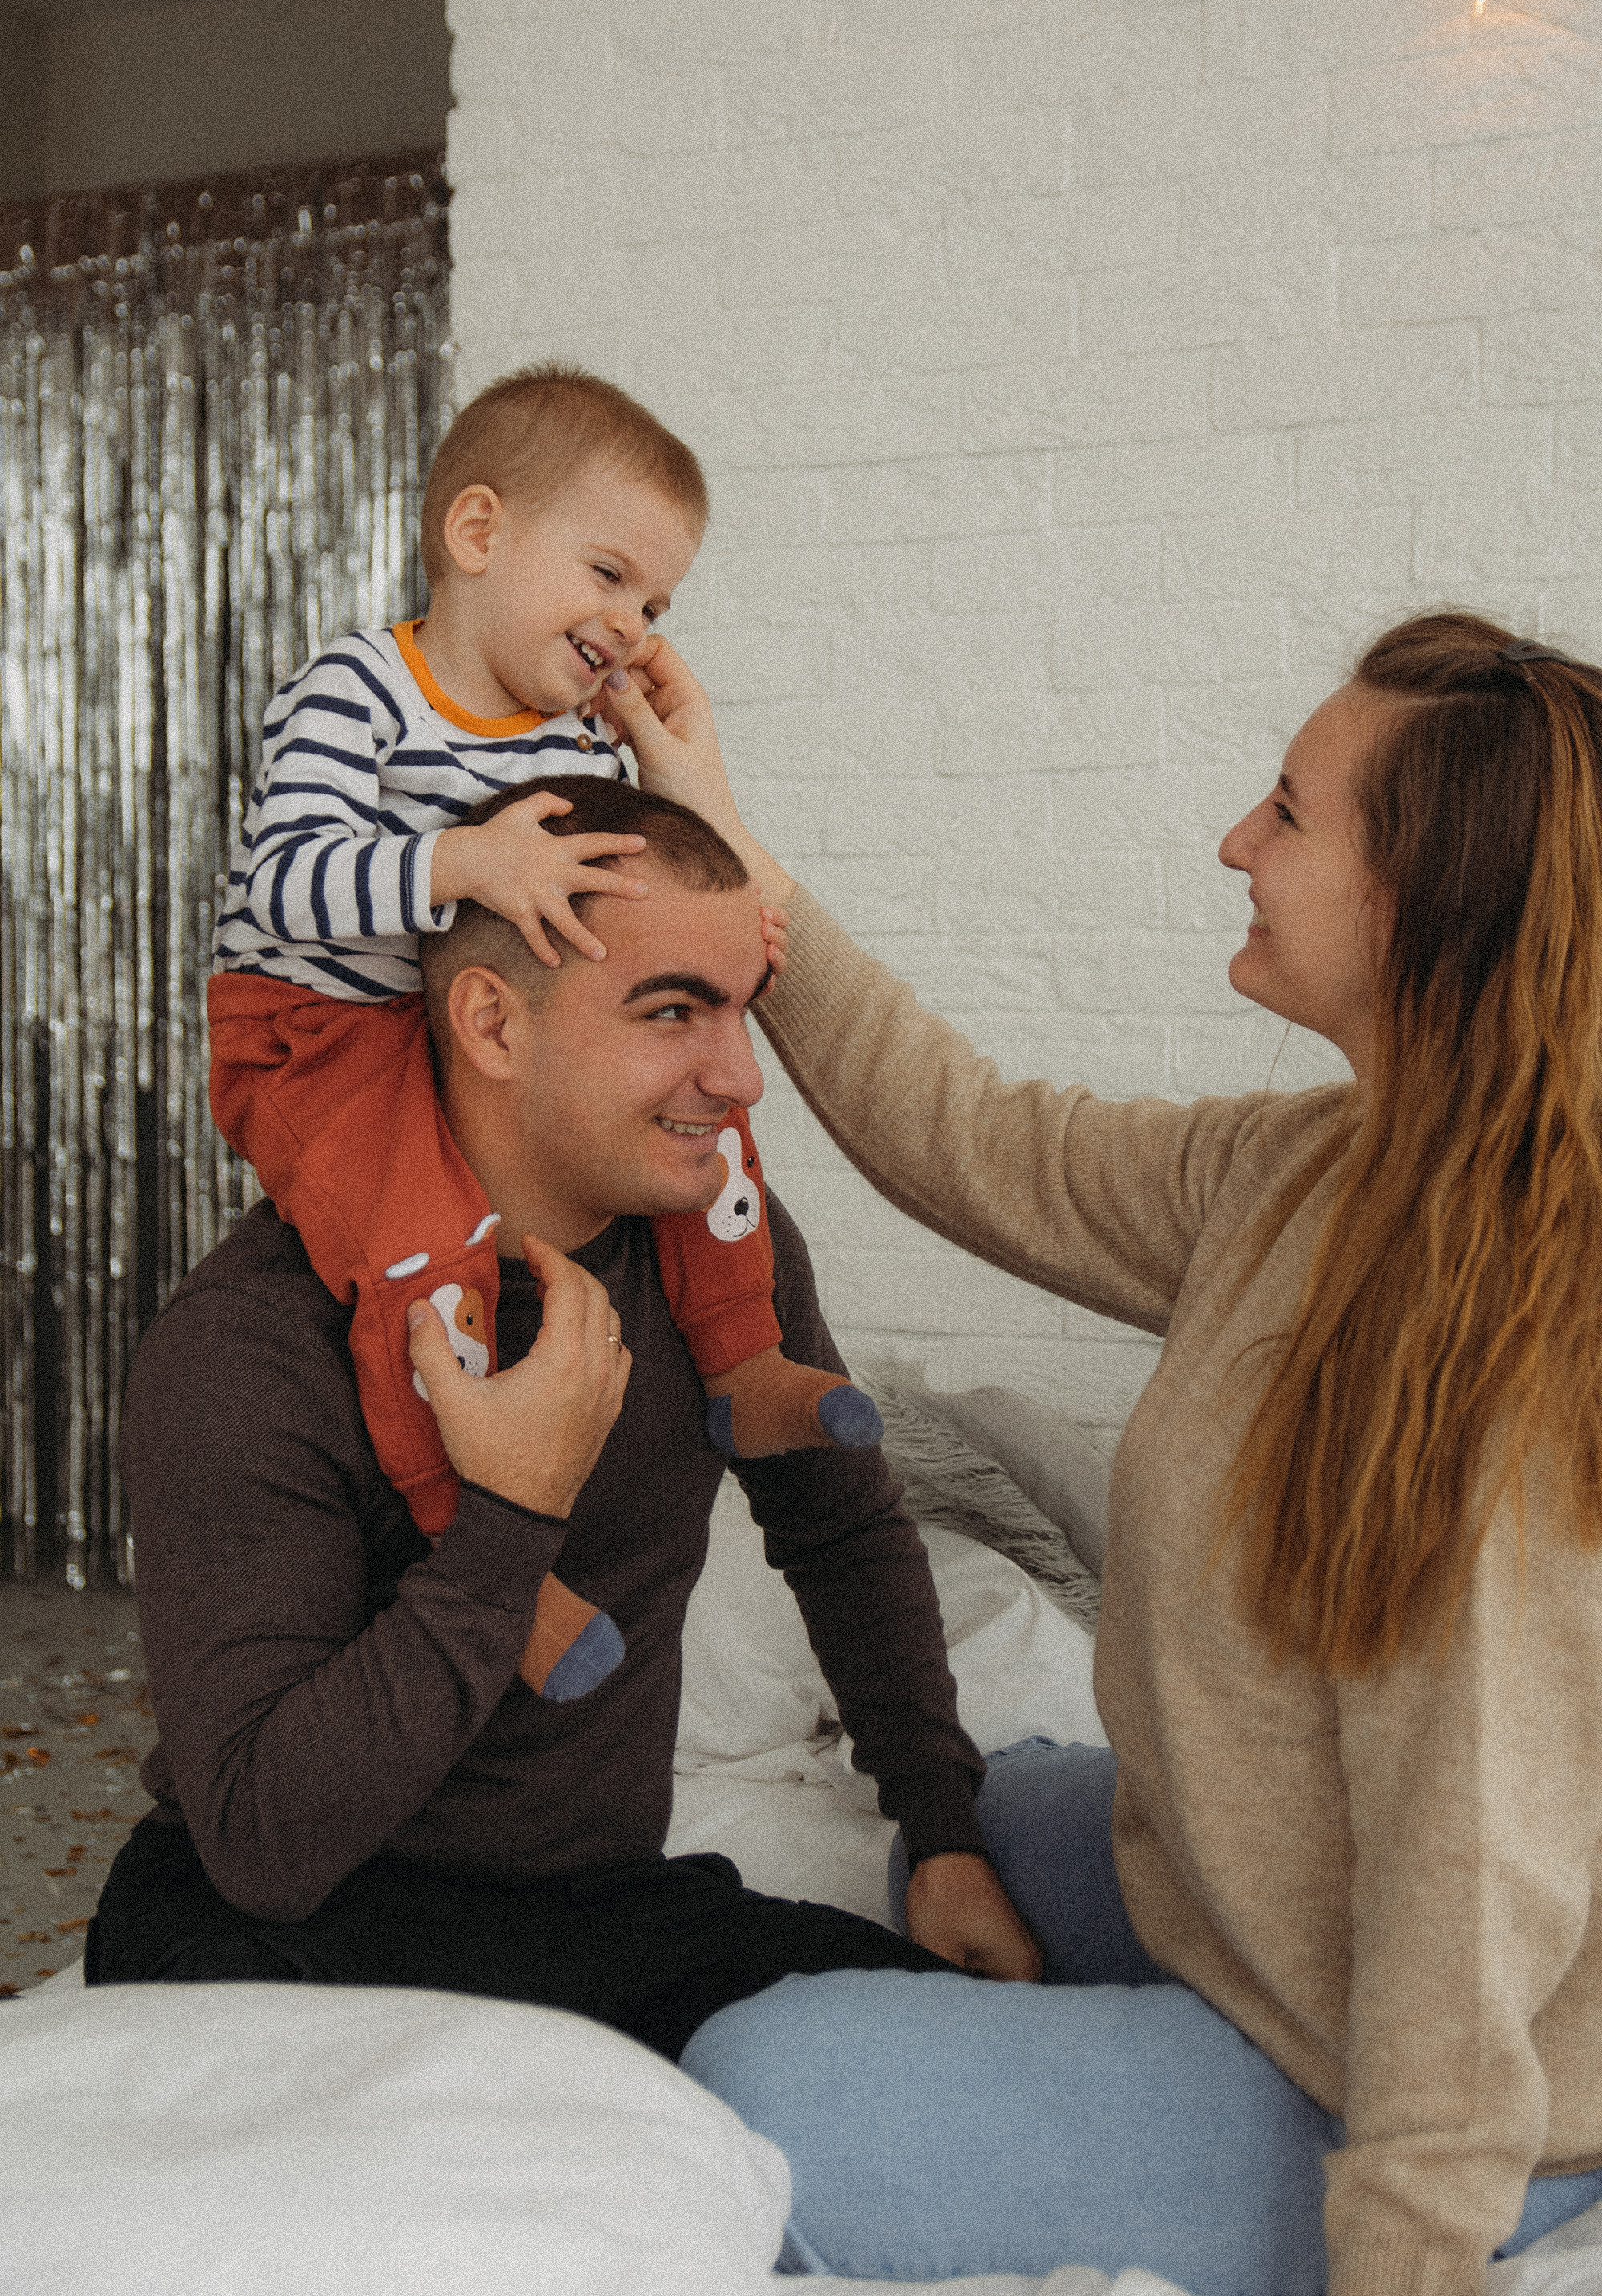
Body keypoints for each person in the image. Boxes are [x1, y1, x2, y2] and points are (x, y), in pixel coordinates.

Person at [598, 616, 1602, 2294]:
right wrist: (719, 831)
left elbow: (1469, 1869)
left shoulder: (1511, 1356)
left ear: (1422, 900)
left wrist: (1420, 2236)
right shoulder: (1302, 1172)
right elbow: (971, 1138)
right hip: (1288, 1923)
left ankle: (1523, 2197)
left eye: (1287, 812)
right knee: (974, 1817)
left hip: (1451, 2080)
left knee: (763, 2092)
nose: (1234, 840)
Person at [89, 778, 1044, 2049]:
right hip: (280, 1941)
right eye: (672, 1013)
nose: (741, 1077)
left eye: (741, 1011)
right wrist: (508, 1515)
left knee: (954, 2049)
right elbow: (265, 1843)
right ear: (490, 1020)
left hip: (589, 1913)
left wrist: (943, 1831)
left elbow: (842, 1532)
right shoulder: (248, 1345)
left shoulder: (723, 1261)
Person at [207, 364, 879, 1663]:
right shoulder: (363, 691)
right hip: (315, 1023)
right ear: (477, 534)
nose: (634, 624)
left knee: (710, 1126)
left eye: (660, 602)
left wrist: (715, 871)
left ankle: (742, 1367)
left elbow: (629, 913)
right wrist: (466, 864)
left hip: (451, 1023)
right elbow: (280, 882)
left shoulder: (581, 742)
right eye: (610, 576)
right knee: (417, 1255)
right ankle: (485, 1545)